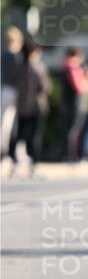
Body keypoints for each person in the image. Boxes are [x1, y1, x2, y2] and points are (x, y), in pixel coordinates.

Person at [8, 39, 50, 177]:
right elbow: (45, 87)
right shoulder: (38, 67)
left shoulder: (18, 67)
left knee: (18, 135)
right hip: (36, 107)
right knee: (34, 137)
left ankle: (14, 164)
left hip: (21, 106)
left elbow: (13, 84)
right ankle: (34, 166)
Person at [61, 46, 88, 161]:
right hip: (75, 102)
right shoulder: (73, 67)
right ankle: (72, 156)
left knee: (69, 129)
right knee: (74, 130)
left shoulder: (65, 66)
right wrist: (87, 80)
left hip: (67, 101)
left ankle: (68, 154)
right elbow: (80, 87)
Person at [1, 26, 24, 158]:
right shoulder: (15, 57)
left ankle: (7, 149)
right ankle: (9, 149)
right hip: (13, 90)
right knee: (12, 123)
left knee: (5, 121)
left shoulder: (3, 55)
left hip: (4, 89)